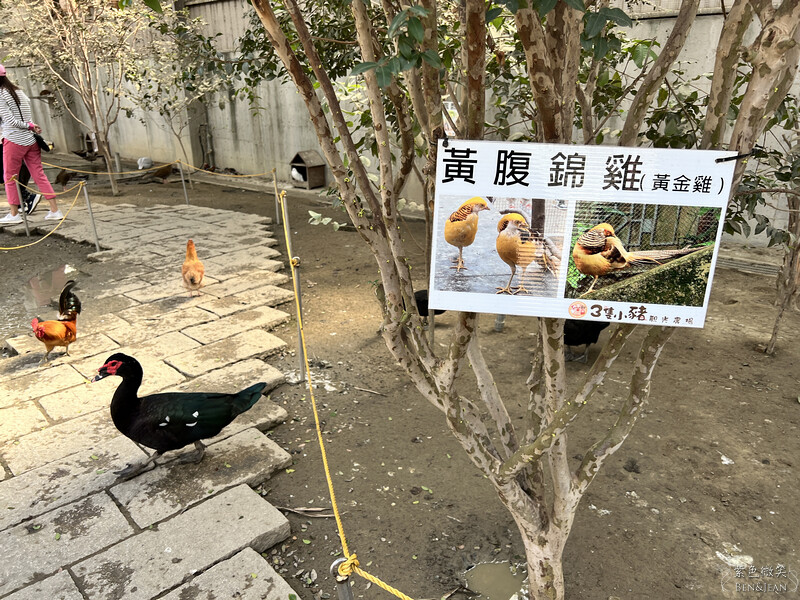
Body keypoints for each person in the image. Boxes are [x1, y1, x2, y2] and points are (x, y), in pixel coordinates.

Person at [0, 64, 59, 225]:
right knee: (39, 174)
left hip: (13, 139)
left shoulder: (0, 95)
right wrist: (31, 126)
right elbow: (27, 116)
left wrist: (30, 125)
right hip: (31, 140)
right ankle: (55, 210)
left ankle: (14, 214)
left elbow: (10, 121)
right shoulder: (19, 91)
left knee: (10, 177)